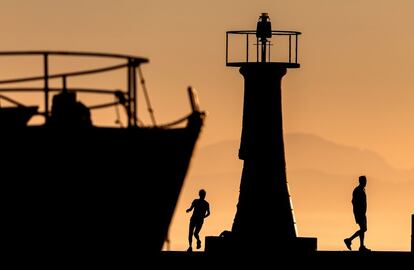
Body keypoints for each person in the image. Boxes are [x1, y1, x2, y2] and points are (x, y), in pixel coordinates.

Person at [344, 175, 371, 252]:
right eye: (364, 181)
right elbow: (353, 201)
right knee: (364, 229)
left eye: (366, 181)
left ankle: (361, 246)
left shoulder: (362, 190)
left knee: (362, 229)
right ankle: (349, 240)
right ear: (361, 181)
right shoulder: (358, 190)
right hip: (360, 213)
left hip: (362, 213)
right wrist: (358, 211)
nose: (365, 183)